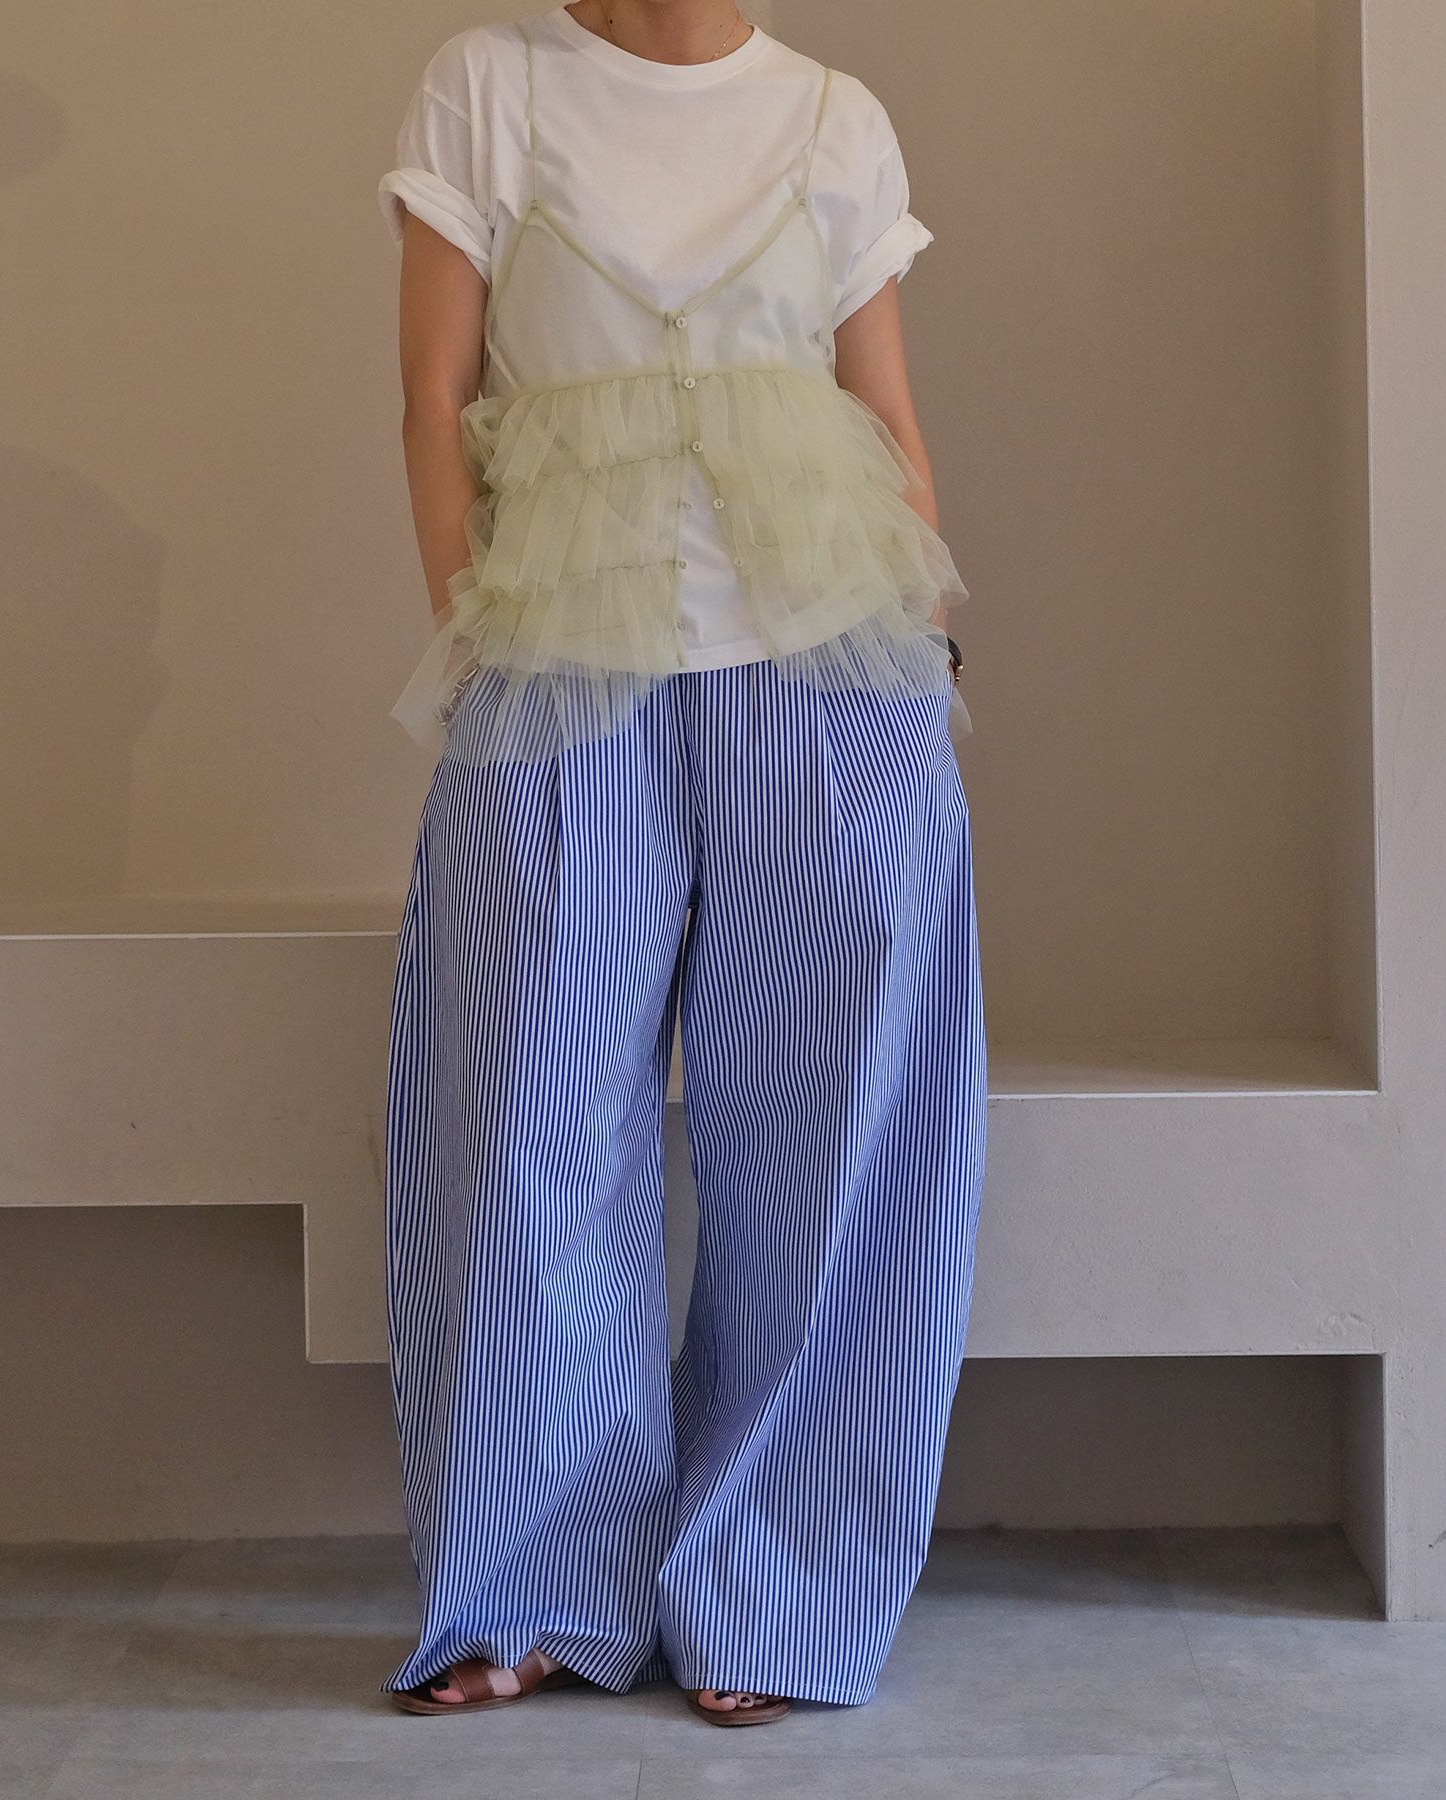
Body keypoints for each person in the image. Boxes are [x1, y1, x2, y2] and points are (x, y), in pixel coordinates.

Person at [376, 0, 987, 1729]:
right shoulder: (492, 88)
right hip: (562, 660)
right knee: (528, 1123)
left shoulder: (833, 114)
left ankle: (775, 1594)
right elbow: (431, 402)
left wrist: (931, 654)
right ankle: (531, 1589)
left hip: (833, 666)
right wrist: (472, 635)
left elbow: (885, 416)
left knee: (830, 1139)